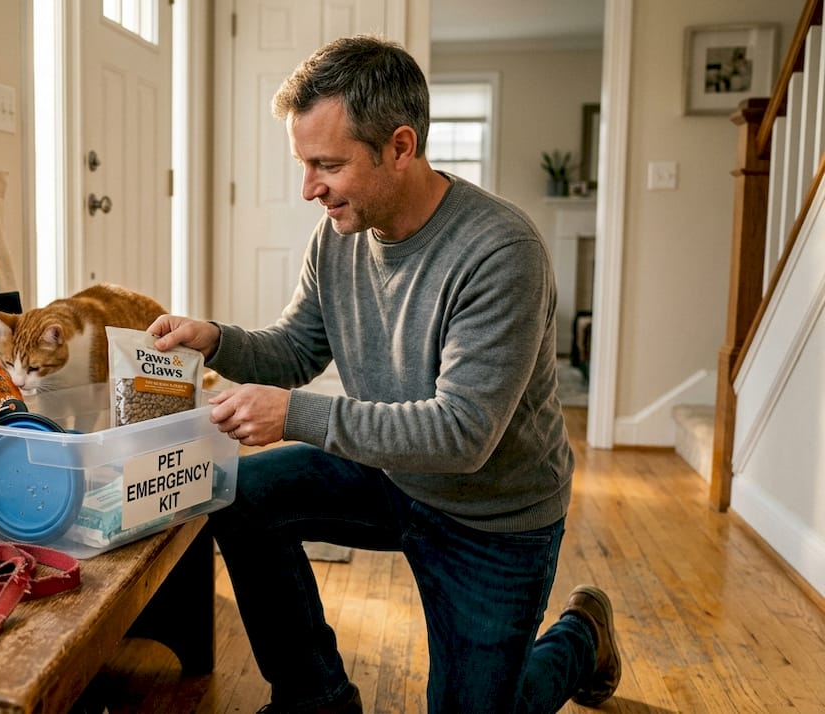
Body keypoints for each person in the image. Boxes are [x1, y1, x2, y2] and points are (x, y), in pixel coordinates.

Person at [150, 35, 621, 714]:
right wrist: (217, 339)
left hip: (492, 515)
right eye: (303, 163)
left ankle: (579, 639)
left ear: (400, 147)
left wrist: (292, 415)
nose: (310, 188)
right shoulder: (339, 233)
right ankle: (316, 700)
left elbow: (462, 434)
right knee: (238, 494)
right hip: (391, 473)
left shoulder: (500, 252)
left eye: (327, 165)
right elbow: (296, 349)